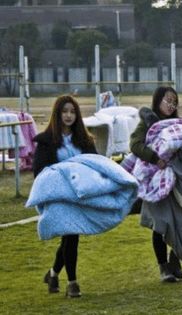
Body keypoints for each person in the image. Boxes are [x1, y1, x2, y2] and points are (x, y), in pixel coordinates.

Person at [33, 95, 97, 298]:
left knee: (70, 236)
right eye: (64, 111)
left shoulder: (85, 140)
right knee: (71, 236)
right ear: (57, 114)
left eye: (72, 111)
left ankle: (53, 274)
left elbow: (95, 164)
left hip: (80, 196)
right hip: (59, 197)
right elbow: (39, 172)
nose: (68, 115)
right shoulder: (46, 141)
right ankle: (72, 283)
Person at [130, 86, 182, 282]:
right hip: (154, 182)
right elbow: (135, 145)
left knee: (180, 222)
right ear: (158, 100)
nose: (171, 105)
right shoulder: (147, 123)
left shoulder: (177, 124)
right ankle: (164, 267)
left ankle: (175, 260)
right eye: (167, 100)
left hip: (175, 180)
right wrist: (155, 158)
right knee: (160, 224)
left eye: (174, 102)